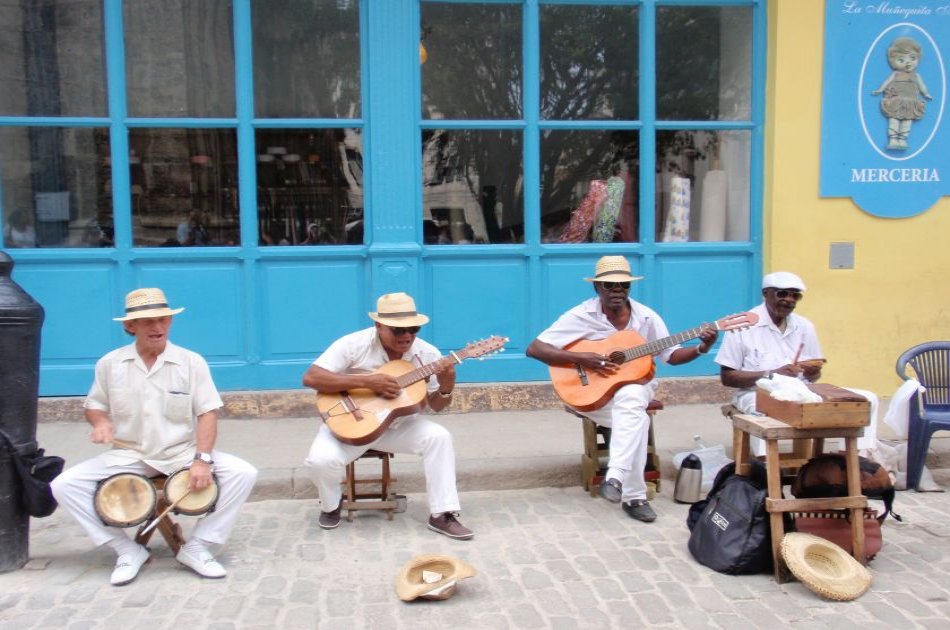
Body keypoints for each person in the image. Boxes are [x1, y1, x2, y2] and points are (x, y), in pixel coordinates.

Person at [50, 288, 258, 586]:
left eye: (163, 320)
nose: (158, 327)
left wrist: (202, 459)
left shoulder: (191, 362)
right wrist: (100, 423)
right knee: (64, 485)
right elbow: (94, 405)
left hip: (179, 454)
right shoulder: (110, 363)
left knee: (243, 473)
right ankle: (126, 549)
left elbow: (207, 413)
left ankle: (198, 547)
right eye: (148, 322)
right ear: (130, 326)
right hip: (128, 455)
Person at [526, 256, 718, 523]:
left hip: (638, 388)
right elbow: (535, 348)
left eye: (623, 286)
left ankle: (615, 477)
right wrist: (582, 359)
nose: (617, 291)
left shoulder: (647, 317)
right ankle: (633, 496)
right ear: (597, 288)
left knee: (631, 397)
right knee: (635, 418)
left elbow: (671, 356)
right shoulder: (581, 315)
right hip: (591, 395)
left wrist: (702, 347)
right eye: (609, 285)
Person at [302, 292, 473, 540]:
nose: (407, 336)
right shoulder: (353, 344)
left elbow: (436, 406)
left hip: (398, 427)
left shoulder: (428, 355)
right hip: (350, 423)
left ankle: (442, 514)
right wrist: (367, 382)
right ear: (379, 326)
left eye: (413, 329)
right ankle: (330, 506)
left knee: (439, 437)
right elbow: (311, 377)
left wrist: (447, 386)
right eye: (398, 330)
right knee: (320, 461)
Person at [715, 271, 879, 454]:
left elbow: (815, 376)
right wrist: (772, 373)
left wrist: (812, 371)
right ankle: (764, 466)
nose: (789, 300)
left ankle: (855, 460)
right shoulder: (742, 326)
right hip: (756, 393)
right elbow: (727, 377)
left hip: (801, 391)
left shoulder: (804, 326)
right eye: (782, 294)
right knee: (762, 410)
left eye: (795, 295)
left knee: (867, 399)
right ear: (765, 293)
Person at [871, 37, 932, 151]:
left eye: (912, 58)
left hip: (911, 102)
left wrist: (926, 93)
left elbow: (922, 86)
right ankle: (893, 139)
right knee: (893, 119)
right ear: (893, 62)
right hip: (896, 101)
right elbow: (887, 82)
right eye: (901, 60)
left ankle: (903, 140)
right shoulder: (895, 74)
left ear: (918, 59)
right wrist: (880, 90)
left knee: (907, 121)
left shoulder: (916, 76)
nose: (908, 63)